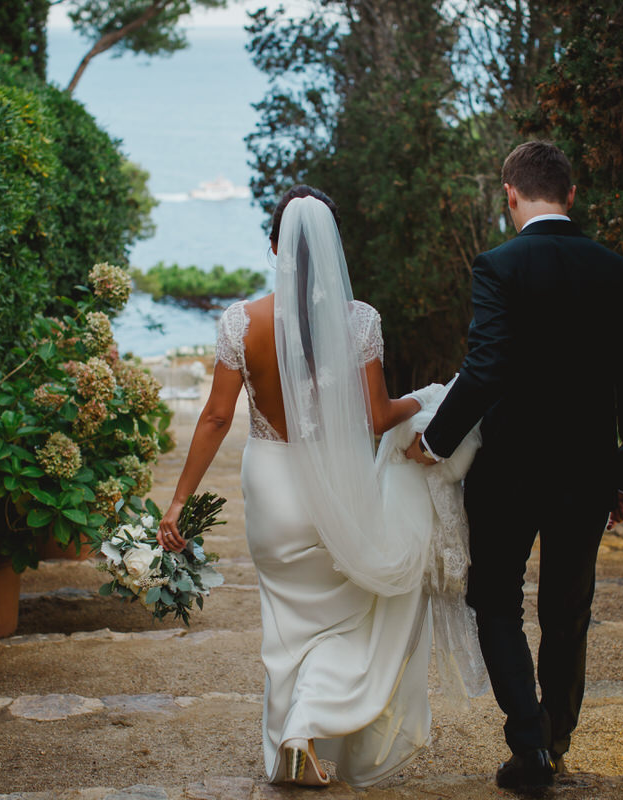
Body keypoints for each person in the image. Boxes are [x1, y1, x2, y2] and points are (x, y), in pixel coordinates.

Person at [158, 185, 432, 788]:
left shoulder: (240, 322)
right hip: (337, 491)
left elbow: (215, 418)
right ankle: (305, 726)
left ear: (274, 245)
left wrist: (178, 501)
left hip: (273, 492)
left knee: (286, 625)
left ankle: (295, 734)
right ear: (332, 247)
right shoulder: (359, 321)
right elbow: (378, 416)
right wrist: (432, 398)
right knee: (349, 618)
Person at [407, 141, 623, 792]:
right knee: (567, 610)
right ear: (571, 196)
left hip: (509, 472)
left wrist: (434, 443)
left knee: (495, 601)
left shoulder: (499, 266)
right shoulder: (619, 272)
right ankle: (556, 740)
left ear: (510, 195)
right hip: (588, 471)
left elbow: (486, 367)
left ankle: (529, 745)